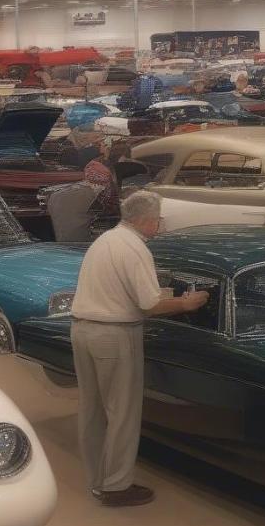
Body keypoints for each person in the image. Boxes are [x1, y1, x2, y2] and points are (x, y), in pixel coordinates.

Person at [71, 191, 209, 506]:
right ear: (146, 220)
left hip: (82, 329)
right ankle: (117, 487)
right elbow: (149, 305)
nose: (159, 225)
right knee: (122, 412)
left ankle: (97, 480)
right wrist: (187, 303)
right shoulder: (136, 249)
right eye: (158, 219)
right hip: (115, 334)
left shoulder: (105, 241)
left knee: (92, 410)